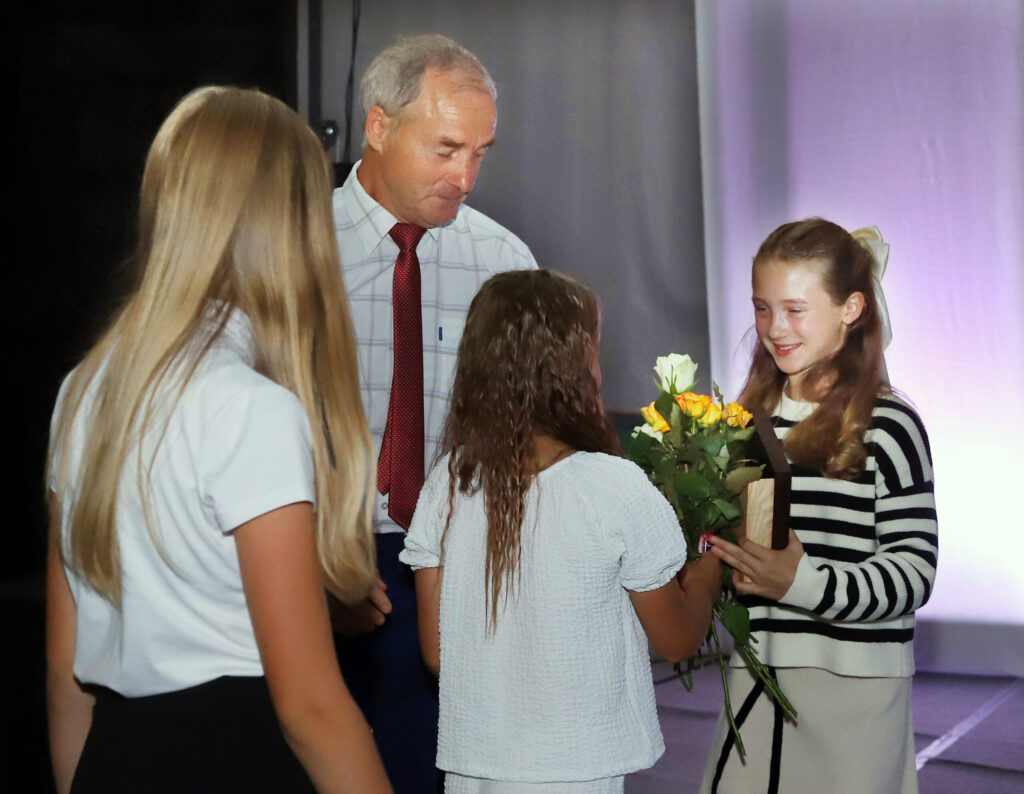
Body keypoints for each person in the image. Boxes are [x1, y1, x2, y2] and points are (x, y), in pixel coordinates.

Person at [46, 86, 391, 793]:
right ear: (287, 222)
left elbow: (63, 671)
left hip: (115, 756)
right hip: (238, 759)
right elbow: (312, 710)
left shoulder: (83, 392)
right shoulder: (249, 409)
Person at [400, 269, 723, 792]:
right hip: (577, 773)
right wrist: (707, 573)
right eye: (593, 357)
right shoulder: (611, 485)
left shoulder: (450, 479)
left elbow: (439, 654)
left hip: (473, 771)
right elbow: (679, 639)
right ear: (573, 373)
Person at [331, 33, 537, 791]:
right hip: (320, 558)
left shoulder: (505, 262)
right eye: (447, 149)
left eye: (481, 153)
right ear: (379, 128)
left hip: (452, 571)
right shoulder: (296, 250)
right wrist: (321, 557)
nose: (466, 178)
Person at [700, 218, 938, 793]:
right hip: (757, 675)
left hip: (854, 692)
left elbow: (914, 573)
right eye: (762, 309)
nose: (774, 329)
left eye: (795, 309)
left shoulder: (889, 425)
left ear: (851, 308)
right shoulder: (742, 422)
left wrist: (801, 583)